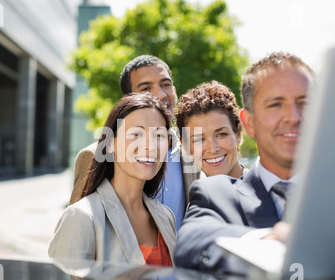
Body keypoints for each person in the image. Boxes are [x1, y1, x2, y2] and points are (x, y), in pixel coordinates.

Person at [174, 51, 315, 271]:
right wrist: (271, 241)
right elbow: (191, 243)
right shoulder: (213, 194)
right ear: (249, 123)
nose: (293, 117)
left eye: (304, 102)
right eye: (276, 104)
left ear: (238, 133)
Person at [69, 55, 200, 231]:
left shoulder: (192, 152)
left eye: (166, 84)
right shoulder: (96, 155)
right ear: (129, 100)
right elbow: (78, 228)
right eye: (146, 88)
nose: (161, 94)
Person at [49, 92, 176, 267]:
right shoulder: (82, 217)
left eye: (159, 135)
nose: (150, 145)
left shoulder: (166, 216)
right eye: (136, 134)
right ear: (110, 143)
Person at [175, 80, 248, 178]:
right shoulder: (194, 192)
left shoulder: (268, 191)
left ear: (238, 134)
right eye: (199, 139)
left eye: (221, 134)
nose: (213, 149)